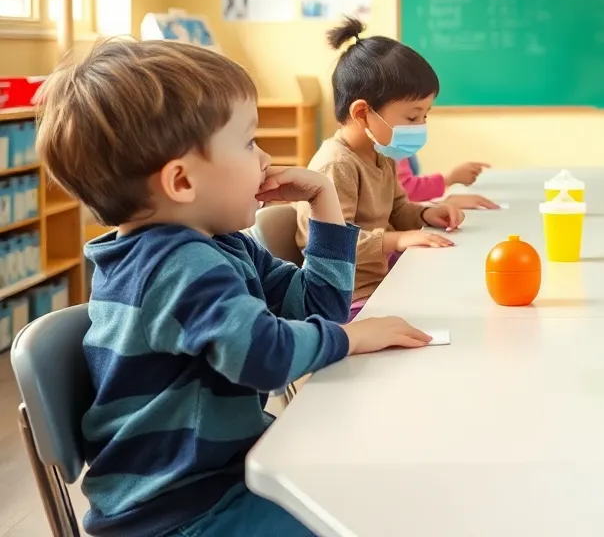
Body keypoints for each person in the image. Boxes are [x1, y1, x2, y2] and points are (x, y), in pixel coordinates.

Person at [35, 39, 433, 536]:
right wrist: (354, 337)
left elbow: (318, 307)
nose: (265, 159)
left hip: (224, 478)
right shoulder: (174, 265)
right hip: (181, 511)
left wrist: (324, 201)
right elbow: (262, 357)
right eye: (248, 143)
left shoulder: (220, 246)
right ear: (182, 182)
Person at [301, 18, 464, 319]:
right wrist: (397, 239)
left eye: (426, 116)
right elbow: (332, 245)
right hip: (348, 301)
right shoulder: (337, 166)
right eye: (413, 117)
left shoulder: (383, 154)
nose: (422, 126)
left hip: (384, 284)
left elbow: (398, 209)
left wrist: (426, 214)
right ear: (362, 113)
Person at [397, 154, 499, 210]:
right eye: (412, 119)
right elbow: (405, 189)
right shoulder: (388, 150)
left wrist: (439, 205)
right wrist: (449, 179)